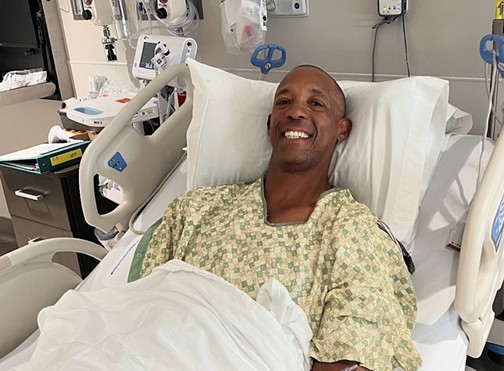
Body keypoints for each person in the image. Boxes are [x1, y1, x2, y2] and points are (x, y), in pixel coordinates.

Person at [133, 65, 422, 371]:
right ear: (271, 123)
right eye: (284, 102)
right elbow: (137, 309)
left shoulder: (351, 229)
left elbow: (352, 351)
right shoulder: (196, 209)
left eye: (316, 103)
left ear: (342, 129)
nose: (296, 111)